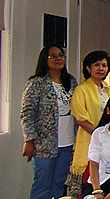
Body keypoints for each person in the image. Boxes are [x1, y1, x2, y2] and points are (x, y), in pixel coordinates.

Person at [21, 45, 78, 199]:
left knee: (59, 183)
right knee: (42, 185)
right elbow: (27, 113)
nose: (58, 59)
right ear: (44, 60)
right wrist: (29, 140)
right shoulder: (37, 83)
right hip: (44, 144)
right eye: (53, 56)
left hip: (67, 143)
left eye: (61, 55)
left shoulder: (71, 81)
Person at [66, 51, 110, 197]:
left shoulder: (108, 89)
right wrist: (101, 136)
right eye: (96, 65)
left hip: (108, 143)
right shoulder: (81, 90)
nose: (101, 68)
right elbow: (81, 119)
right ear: (88, 68)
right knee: (84, 188)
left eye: (104, 65)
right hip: (88, 140)